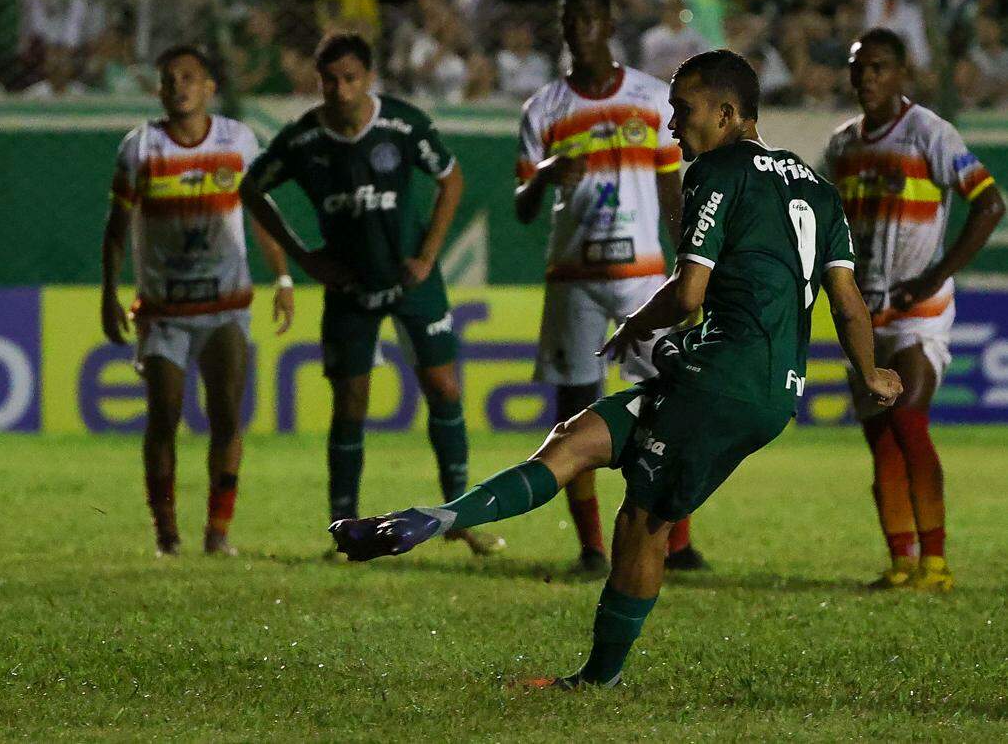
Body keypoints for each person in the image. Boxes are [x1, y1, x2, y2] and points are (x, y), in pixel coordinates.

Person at [331, 50, 904, 688]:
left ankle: (597, 679)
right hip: (753, 384)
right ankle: (428, 520)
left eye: (683, 112)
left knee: (641, 525)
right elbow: (849, 304)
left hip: (723, 380)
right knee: (575, 438)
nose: (671, 125)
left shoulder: (715, 171)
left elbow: (688, 292)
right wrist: (871, 373)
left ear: (728, 113)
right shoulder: (817, 189)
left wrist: (638, 324)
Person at [240, 32, 503, 557]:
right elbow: (252, 189)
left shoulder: (402, 124)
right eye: (330, 81)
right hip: (350, 287)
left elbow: (450, 180)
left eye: (350, 80)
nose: (339, 91)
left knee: (444, 388)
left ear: (370, 80)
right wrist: (305, 257)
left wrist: (428, 254)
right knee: (350, 405)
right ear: (319, 83)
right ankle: (345, 530)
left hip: (411, 280)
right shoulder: (303, 140)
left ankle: (458, 517)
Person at [514, 0, 704, 574]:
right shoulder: (543, 108)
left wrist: (688, 265)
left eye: (593, 17)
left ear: (610, 23)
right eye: (573, 19)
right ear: (563, 27)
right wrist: (545, 174)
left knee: (669, 401)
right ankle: (592, 548)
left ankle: (677, 543)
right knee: (573, 407)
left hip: (643, 273)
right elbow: (522, 205)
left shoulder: (651, 99)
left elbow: (673, 191)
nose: (583, 29)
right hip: (574, 276)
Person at [824, 28, 1004, 592]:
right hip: (864, 313)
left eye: (879, 66)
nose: (868, 77)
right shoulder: (842, 146)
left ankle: (937, 562)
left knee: (906, 420)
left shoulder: (930, 133)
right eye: (860, 67)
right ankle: (902, 560)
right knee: (880, 433)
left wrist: (931, 278)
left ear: (902, 73)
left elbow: (990, 203)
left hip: (919, 309)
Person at [101, 45, 296, 556]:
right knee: (164, 414)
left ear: (209, 87)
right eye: (170, 79)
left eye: (190, 77)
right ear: (159, 90)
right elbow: (117, 228)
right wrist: (108, 291)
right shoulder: (140, 148)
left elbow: (261, 213)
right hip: (164, 310)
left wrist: (283, 278)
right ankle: (166, 534)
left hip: (226, 305)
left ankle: (218, 532)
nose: (179, 86)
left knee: (228, 414)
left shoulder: (238, 140)